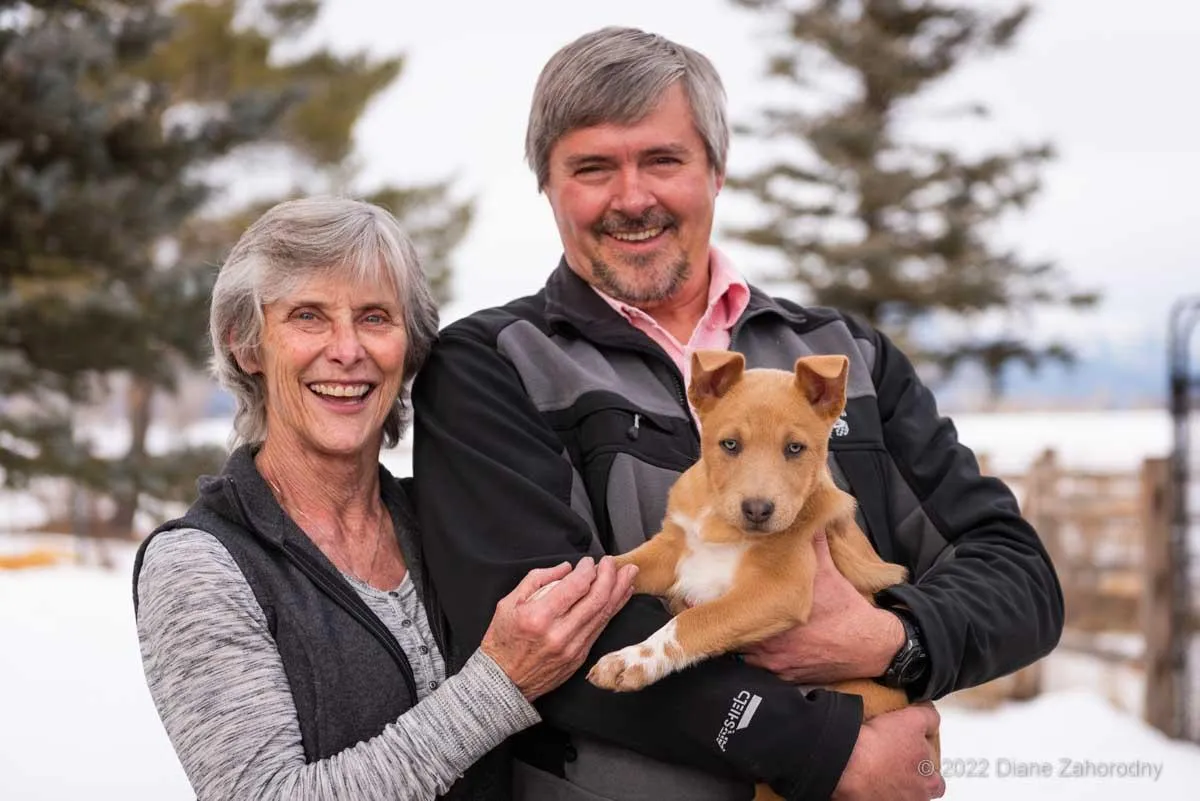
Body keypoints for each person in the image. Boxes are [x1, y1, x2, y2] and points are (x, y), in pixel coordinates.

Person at [411, 26, 1064, 801]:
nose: (632, 197)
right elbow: (548, 636)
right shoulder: (494, 366)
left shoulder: (842, 355)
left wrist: (893, 638)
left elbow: (1018, 579)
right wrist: (829, 753)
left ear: (716, 171)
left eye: (663, 159)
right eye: (592, 167)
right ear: (548, 186)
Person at [132, 196, 637, 801]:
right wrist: (499, 683)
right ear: (246, 345)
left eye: (375, 317)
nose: (347, 350)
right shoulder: (200, 565)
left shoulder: (444, 518)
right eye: (308, 317)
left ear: (410, 347)